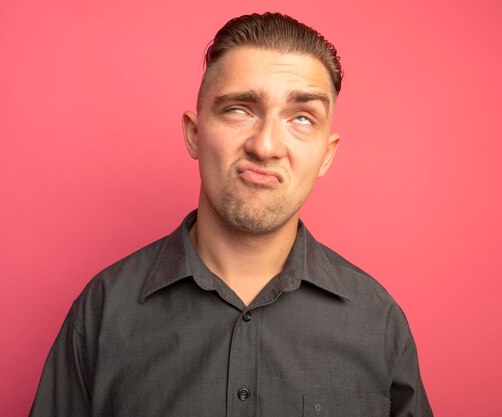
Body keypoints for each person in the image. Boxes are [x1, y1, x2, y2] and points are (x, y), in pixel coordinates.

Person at [29, 12, 433, 417]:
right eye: (240, 109)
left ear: (326, 154)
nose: (266, 145)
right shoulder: (103, 311)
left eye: (302, 118)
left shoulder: (377, 321)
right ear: (195, 133)